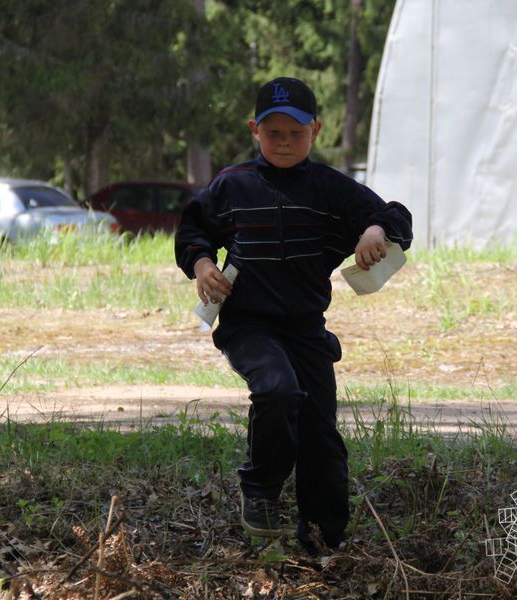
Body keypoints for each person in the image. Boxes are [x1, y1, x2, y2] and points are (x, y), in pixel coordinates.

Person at [174, 76, 412, 552]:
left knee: (320, 433)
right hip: (248, 325)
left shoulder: (330, 189)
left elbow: (395, 216)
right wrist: (201, 264)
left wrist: (373, 230)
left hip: (306, 330)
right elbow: (192, 227)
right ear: (253, 130)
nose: (284, 143)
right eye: (273, 133)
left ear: (317, 131)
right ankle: (260, 488)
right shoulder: (233, 184)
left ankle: (323, 539)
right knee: (278, 390)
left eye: (296, 133)